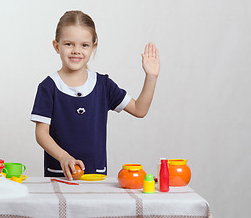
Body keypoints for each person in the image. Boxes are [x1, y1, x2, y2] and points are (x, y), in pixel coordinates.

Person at [30, 10, 160, 180]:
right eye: (69, 44)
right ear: (56, 46)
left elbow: (139, 109)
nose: (76, 51)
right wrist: (64, 157)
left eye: (84, 45)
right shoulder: (48, 87)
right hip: (59, 176)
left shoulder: (103, 85)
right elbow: (41, 134)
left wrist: (151, 77)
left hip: (95, 177)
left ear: (93, 47)